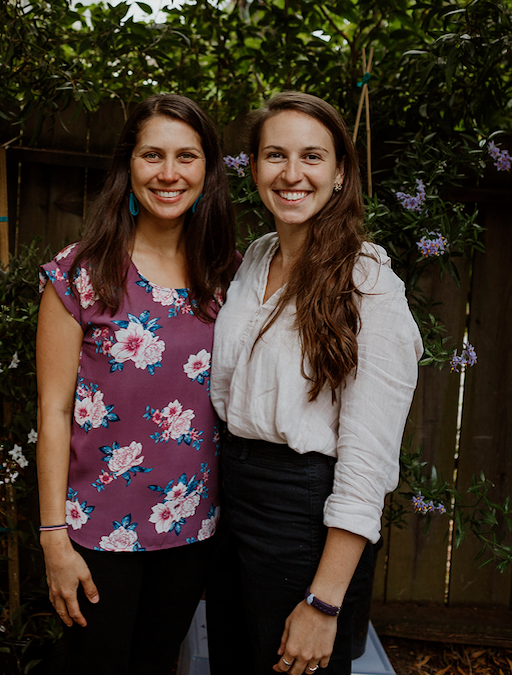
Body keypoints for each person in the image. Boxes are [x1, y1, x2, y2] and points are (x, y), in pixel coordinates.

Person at [206, 91, 423, 676]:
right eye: (275, 155)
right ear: (254, 167)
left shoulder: (368, 283)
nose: (291, 173)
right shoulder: (256, 258)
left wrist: (324, 602)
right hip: (234, 499)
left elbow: (368, 458)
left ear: (340, 172)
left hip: (303, 510)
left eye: (312, 156)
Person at [35, 93, 238, 675]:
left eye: (186, 156)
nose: (169, 173)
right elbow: (53, 411)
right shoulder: (81, 274)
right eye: (153, 155)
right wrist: (53, 538)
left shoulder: (228, 276)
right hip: (97, 532)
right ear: (128, 164)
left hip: (192, 529)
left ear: (207, 169)